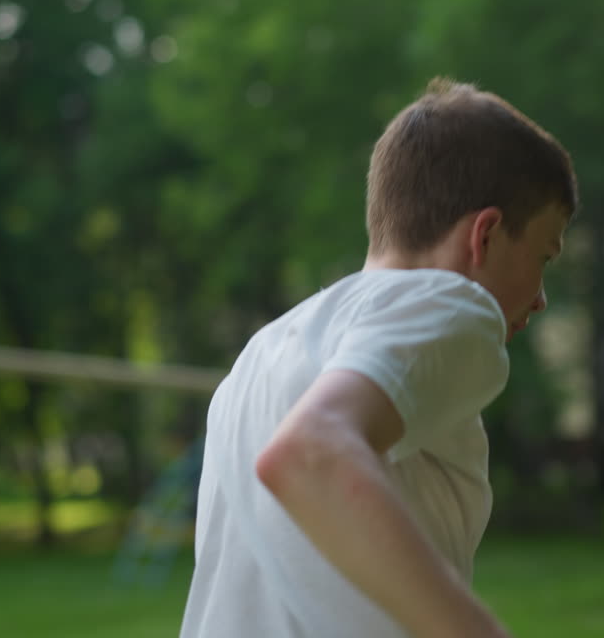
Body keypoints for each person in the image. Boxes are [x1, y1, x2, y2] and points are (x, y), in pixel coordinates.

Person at [179, 78, 578, 638]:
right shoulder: (453, 301)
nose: (540, 297)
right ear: (484, 235)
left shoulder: (259, 356)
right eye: (544, 255)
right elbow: (311, 451)